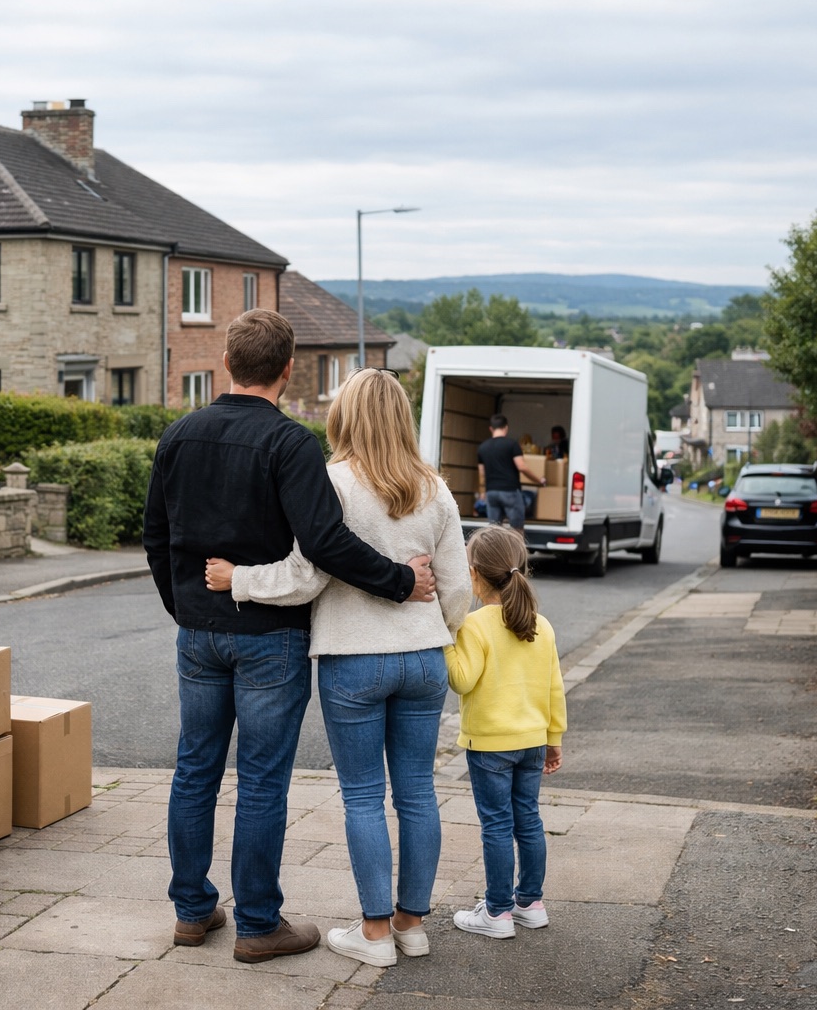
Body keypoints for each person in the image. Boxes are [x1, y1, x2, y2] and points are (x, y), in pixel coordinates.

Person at [143, 310, 437, 965]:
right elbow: (328, 544)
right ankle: (257, 925)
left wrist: (184, 607)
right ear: (286, 369)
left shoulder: (179, 435)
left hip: (199, 631)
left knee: (195, 770)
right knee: (261, 781)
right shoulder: (292, 445)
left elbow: (155, 537)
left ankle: (192, 912)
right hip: (270, 638)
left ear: (225, 360)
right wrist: (397, 582)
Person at [204, 367, 471, 968]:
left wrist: (238, 579)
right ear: (402, 417)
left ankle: (374, 934)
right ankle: (412, 925)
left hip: (354, 659)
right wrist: (434, 633)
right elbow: (456, 590)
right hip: (424, 659)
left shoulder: (333, 483)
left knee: (362, 798)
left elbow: (306, 577)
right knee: (419, 794)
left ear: (344, 416)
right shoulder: (435, 488)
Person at [446, 526, 567, 940]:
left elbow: (462, 680)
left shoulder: (474, 625)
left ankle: (496, 912)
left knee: (496, 825)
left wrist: (446, 637)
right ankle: (530, 903)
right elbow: (554, 688)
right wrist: (554, 740)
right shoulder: (542, 625)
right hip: (533, 741)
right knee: (528, 820)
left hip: (490, 746)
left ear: (475, 573)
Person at [477, 415, 546, 534]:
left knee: (494, 529)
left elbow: (482, 473)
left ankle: (494, 552)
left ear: (491, 429)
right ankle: (518, 552)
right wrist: (538, 480)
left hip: (491, 492)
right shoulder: (512, 444)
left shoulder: (482, 448)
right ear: (506, 428)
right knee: (517, 529)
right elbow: (521, 466)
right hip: (510, 492)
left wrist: (482, 491)